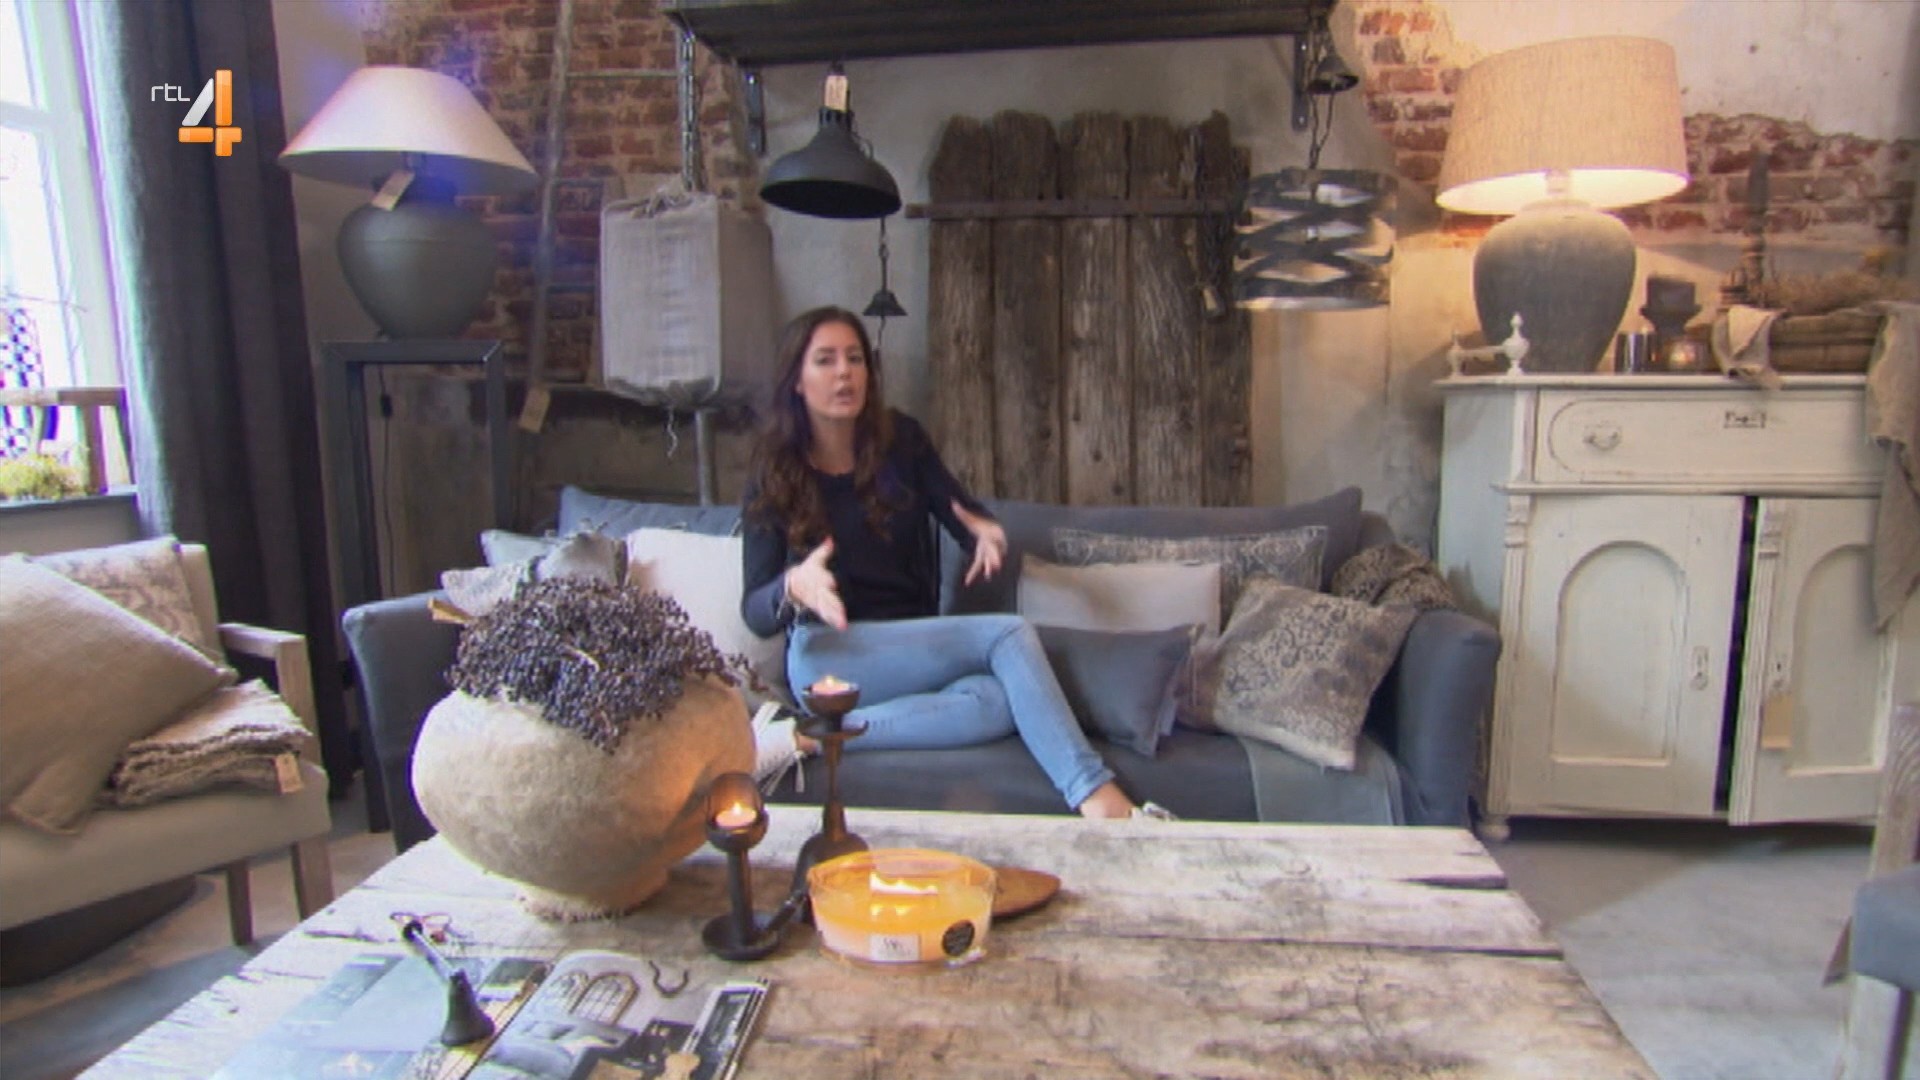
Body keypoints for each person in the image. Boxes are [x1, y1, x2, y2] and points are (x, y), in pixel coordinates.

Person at [739, 306, 1167, 820]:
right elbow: (755, 610)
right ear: (797, 381)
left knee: (997, 700)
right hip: (829, 657)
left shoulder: (900, 441)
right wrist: (793, 585)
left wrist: (983, 532)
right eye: (825, 360)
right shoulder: (775, 470)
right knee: (1008, 635)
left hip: (912, 646)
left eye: (855, 359)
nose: (844, 373)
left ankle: (809, 738)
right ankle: (1097, 796)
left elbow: (959, 511)